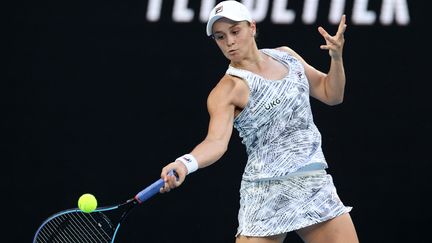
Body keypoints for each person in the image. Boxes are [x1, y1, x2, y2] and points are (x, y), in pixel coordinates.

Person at [160, 1, 359, 242]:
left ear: (252, 27)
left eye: (235, 32)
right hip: (266, 191)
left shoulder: (287, 57)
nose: (230, 42)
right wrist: (185, 162)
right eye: (220, 37)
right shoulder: (228, 89)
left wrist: (336, 58)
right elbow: (215, 142)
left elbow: (332, 94)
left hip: (313, 183)